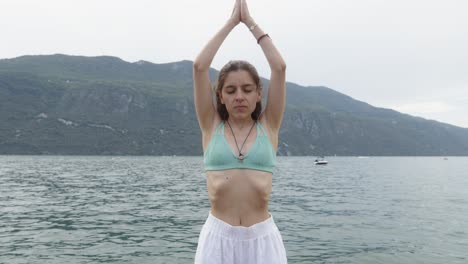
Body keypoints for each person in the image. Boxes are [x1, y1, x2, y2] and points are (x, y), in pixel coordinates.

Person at [192, 0, 287, 263]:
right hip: (217, 240)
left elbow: (279, 68)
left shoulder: (269, 126)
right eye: (231, 90)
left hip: (263, 240)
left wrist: (251, 24)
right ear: (220, 96)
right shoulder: (211, 126)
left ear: (259, 94)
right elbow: (200, 67)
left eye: (247, 89)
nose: (239, 96)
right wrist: (231, 23)